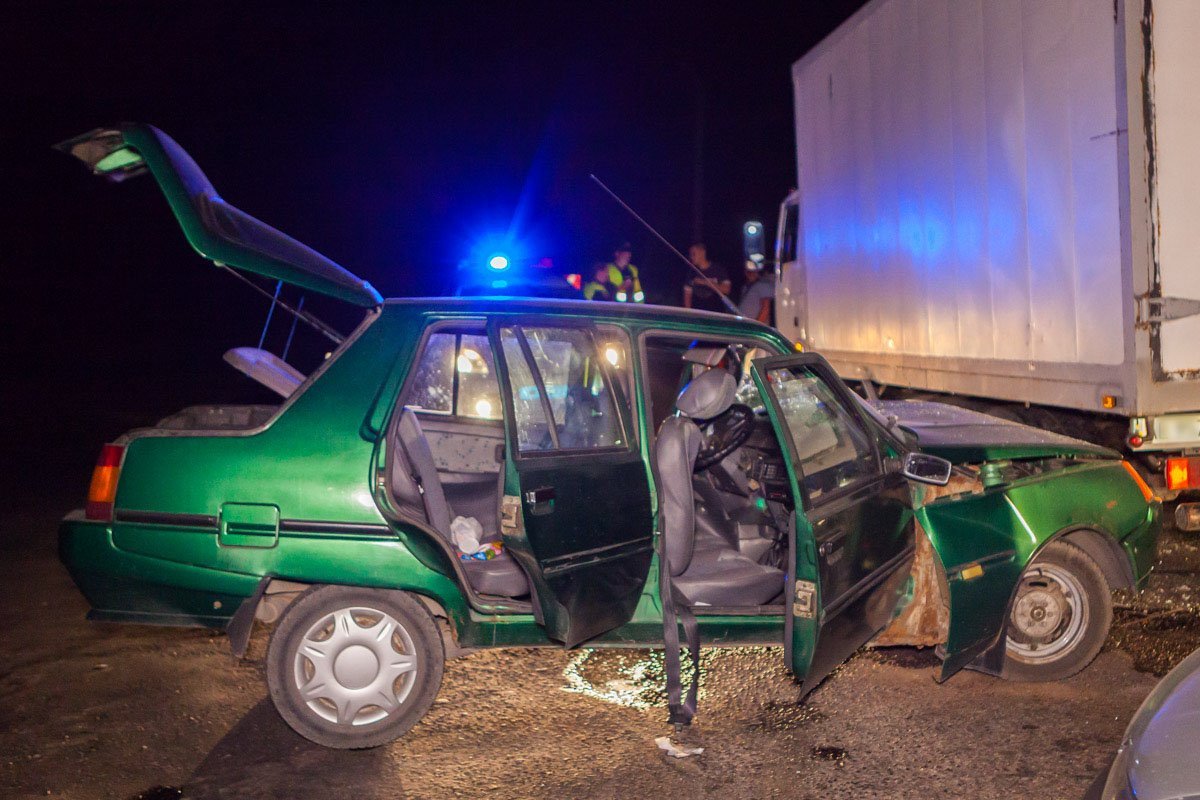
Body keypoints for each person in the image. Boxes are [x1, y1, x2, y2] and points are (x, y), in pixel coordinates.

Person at [682, 243, 731, 312]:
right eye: (690, 254)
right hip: (698, 312)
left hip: (716, 311)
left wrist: (706, 283)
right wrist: (688, 312)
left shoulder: (718, 270)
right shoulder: (692, 272)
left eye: (693, 254)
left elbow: (727, 290)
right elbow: (687, 295)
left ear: (702, 253)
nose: (691, 257)